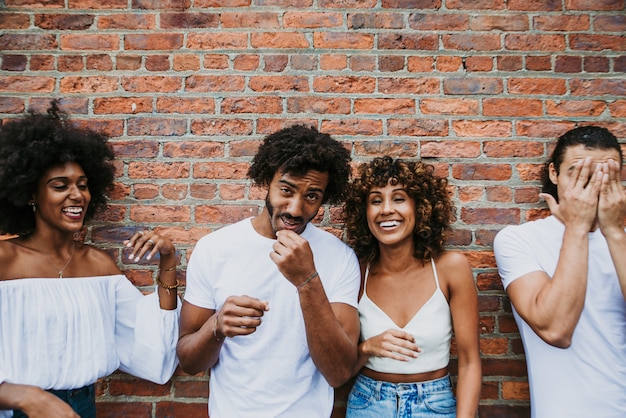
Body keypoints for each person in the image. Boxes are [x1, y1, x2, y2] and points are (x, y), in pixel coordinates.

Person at [0, 103, 181, 418]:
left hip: (83, 408)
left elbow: (152, 345)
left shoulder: (98, 266)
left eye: (83, 186)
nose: (77, 195)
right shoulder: (5, 261)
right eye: (60, 186)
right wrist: (23, 396)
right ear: (31, 194)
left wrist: (167, 261)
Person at [176, 125, 360, 417]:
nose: (296, 209)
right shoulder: (215, 249)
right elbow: (188, 361)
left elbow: (339, 372)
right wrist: (216, 327)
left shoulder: (340, 258)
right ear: (266, 180)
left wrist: (307, 280)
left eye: (312, 196)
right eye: (286, 190)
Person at [494, 126, 626, 418]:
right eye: (578, 174)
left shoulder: (623, 239)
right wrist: (577, 228)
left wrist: (615, 232)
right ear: (554, 174)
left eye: (602, 176)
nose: (589, 187)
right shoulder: (519, 240)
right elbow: (556, 330)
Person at [342, 156, 482, 418]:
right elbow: (339, 371)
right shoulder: (357, 271)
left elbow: (470, 361)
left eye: (398, 198)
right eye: (375, 200)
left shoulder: (450, 268)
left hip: (434, 404)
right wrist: (367, 348)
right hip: (368, 404)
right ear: (364, 212)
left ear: (420, 207)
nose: (385, 209)